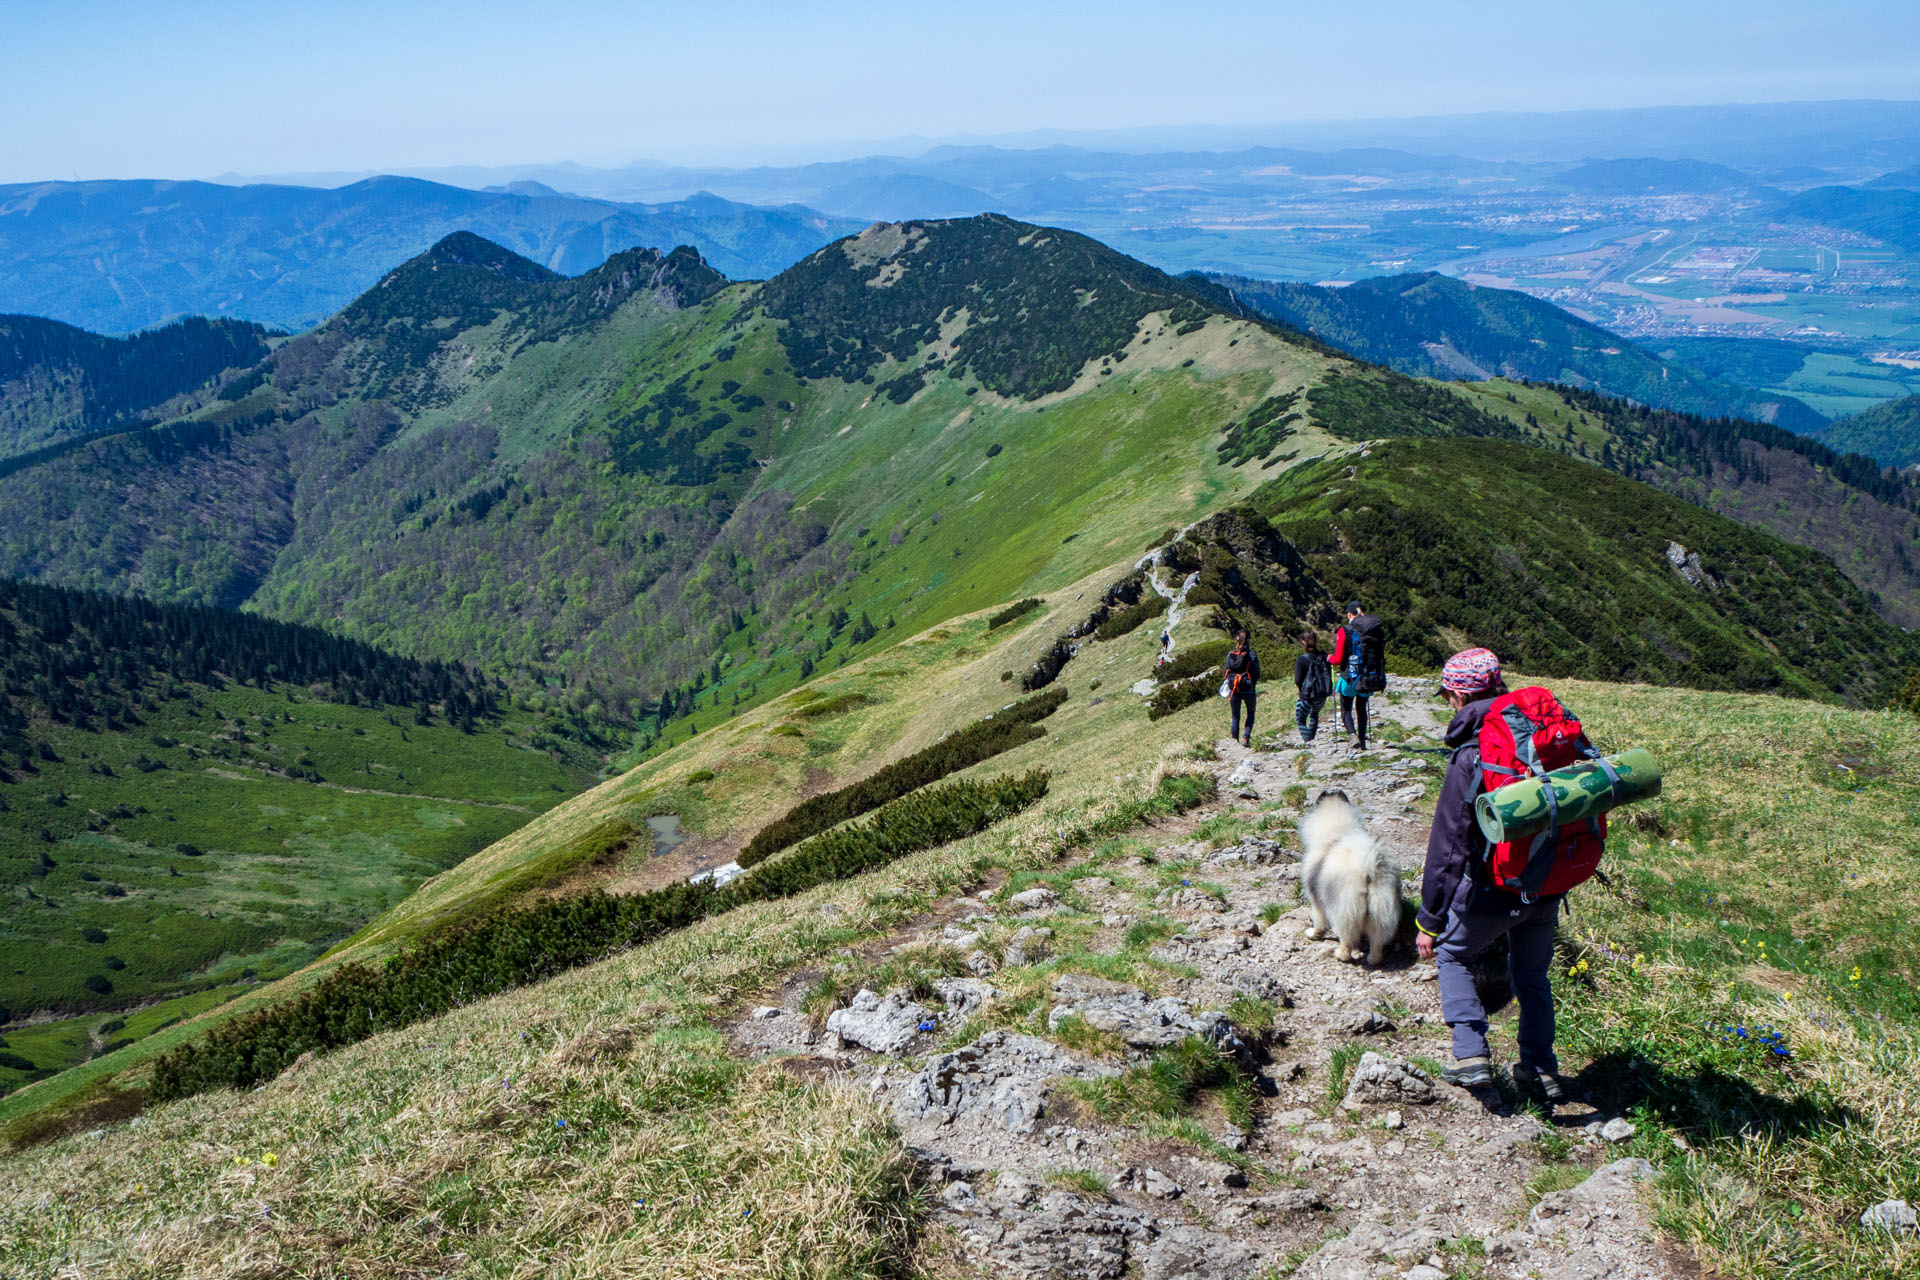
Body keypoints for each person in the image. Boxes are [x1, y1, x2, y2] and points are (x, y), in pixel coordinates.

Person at [1415, 646, 1570, 1103]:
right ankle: (1541, 1069)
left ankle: (1470, 1056)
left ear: (1460, 694)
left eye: (1448, 695)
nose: (1449, 702)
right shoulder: (1537, 734)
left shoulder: (1473, 754)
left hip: (1495, 887)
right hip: (1547, 881)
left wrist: (1429, 918)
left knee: (1452, 955)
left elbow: (1449, 845)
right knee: (1532, 977)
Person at [1327, 601, 1383, 751]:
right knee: (1361, 708)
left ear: (1349, 614)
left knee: (1346, 708)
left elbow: (1338, 659)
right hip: (1369, 676)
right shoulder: (1372, 630)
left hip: (1350, 677)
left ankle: (1352, 736)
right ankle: (1363, 739)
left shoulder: (1344, 630)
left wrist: (1329, 659)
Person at [1222, 628, 1261, 748]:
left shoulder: (1230, 654)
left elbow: (1226, 672)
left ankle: (1235, 742)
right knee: (1250, 713)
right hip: (1248, 688)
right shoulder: (1251, 655)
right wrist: (1252, 683)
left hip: (1234, 688)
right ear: (1248, 639)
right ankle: (1246, 737)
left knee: (1235, 717)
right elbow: (1257, 673)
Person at [1292, 629, 1330, 742]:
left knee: (1301, 719)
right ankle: (1312, 738)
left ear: (1303, 642)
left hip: (1307, 695)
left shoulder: (1301, 659)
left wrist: (1303, 691)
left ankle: (1308, 740)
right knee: (1314, 714)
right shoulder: (1324, 656)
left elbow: (1298, 680)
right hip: (1322, 695)